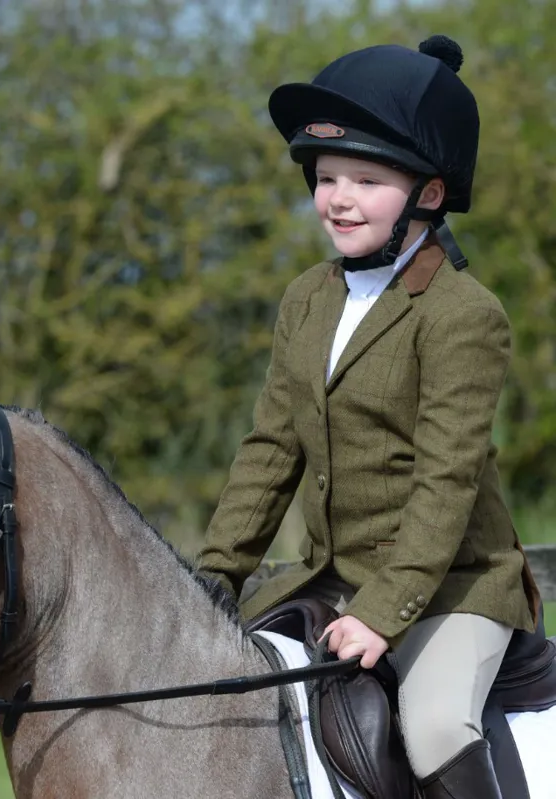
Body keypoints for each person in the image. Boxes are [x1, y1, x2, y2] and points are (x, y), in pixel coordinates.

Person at [195, 35, 540, 798]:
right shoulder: (307, 298)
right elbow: (270, 449)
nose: (338, 198)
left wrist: (384, 615)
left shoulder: (462, 315)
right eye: (326, 178)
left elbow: (445, 484)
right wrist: (215, 575)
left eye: (365, 178)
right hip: (331, 578)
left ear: (430, 193)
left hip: (454, 588)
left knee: (436, 723)